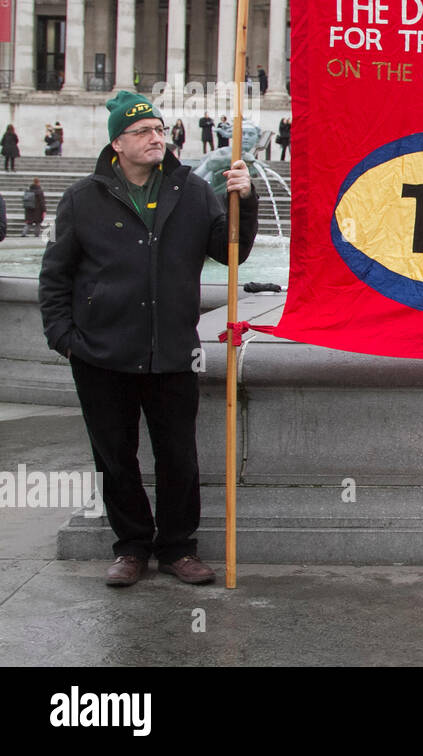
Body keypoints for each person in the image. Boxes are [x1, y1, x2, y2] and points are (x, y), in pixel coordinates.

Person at [38, 91, 259, 587]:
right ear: (117, 143)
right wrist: (64, 337)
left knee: (179, 455)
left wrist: (245, 200)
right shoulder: (83, 197)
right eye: (141, 132)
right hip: (100, 353)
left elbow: (233, 253)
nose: (155, 137)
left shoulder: (192, 189)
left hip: (172, 350)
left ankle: (178, 548)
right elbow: (56, 275)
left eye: (159, 129)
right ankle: (132, 546)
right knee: (115, 457)